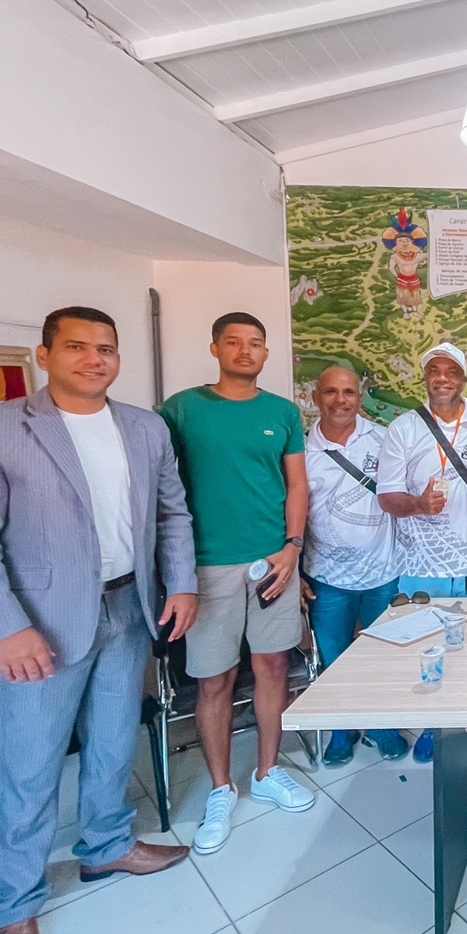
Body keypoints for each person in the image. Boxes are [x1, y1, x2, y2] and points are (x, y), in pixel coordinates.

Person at [0, 307, 197, 934]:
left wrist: (182, 583)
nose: (93, 359)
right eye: (77, 346)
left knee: (113, 740)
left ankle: (106, 844)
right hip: (40, 624)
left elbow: (171, 512)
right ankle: (12, 906)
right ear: (45, 354)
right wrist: (4, 626)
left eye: (105, 348)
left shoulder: (145, 427)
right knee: (27, 766)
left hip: (129, 606)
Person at [161, 312, 315, 857]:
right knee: (215, 679)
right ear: (215, 348)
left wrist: (292, 547)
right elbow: (161, 485)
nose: (245, 351)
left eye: (255, 344)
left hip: (274, 560)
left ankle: (267, 771)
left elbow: (297, 485)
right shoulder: (182, 410)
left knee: (273, 666)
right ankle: (221, 789)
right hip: (207, 566)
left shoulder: (282, 412)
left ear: (266, 353)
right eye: (234, 342)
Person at [378, 342, 467, 762]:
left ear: (464, 379)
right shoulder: (404, 429)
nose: (443, 378)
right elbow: (387, 496)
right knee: (428, 647)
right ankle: (434, 726)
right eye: (435, 370)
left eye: (451, 371)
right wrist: (418, 504)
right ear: (425, 378)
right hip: (423, 565)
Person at [299, 364, 405, 767]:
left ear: (360, 399)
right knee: (335, 658)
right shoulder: (301, 451)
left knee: (382, 656)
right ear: (315, 397)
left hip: (383, 572)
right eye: (331, 392)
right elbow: (290, 514)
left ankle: (381, 725)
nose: (340, 400)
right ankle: (341, 728)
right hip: (327, 578)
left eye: (349, 392)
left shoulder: (383, 440)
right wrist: (294, 574)